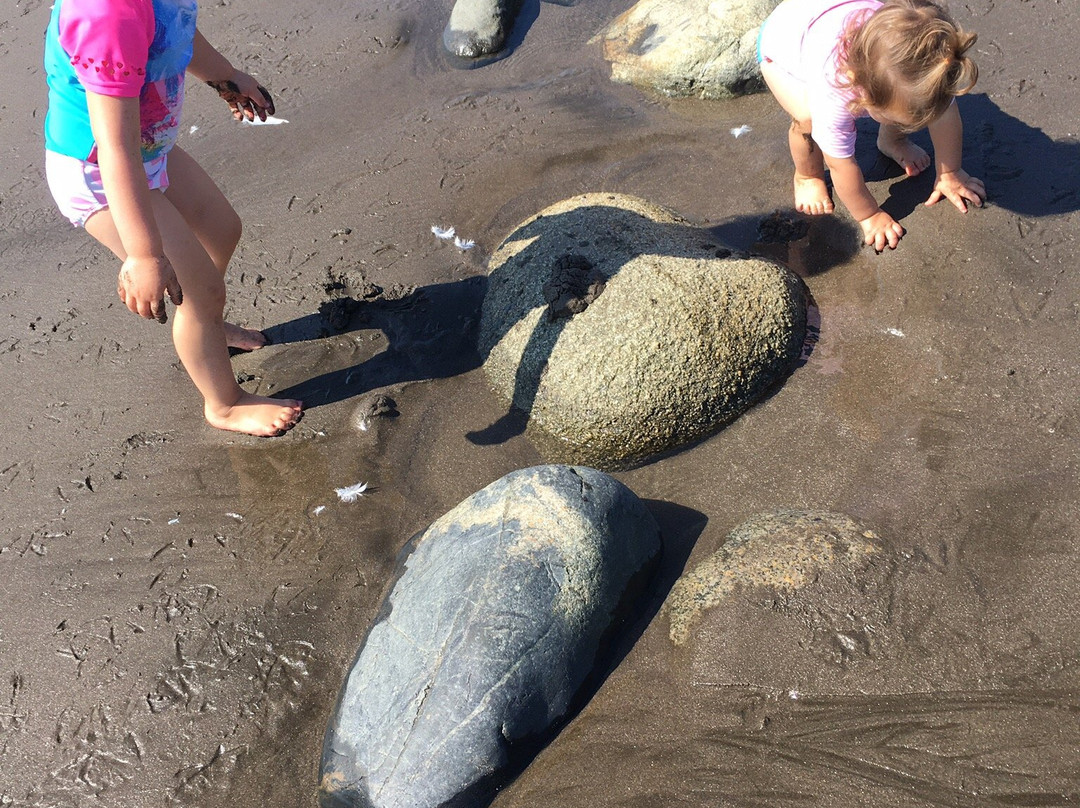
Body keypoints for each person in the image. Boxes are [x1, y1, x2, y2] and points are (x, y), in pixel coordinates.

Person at [43, 0, 303, 436]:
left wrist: (227, 77)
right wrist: (144, 255)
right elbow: (115, 149)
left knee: (222, 229)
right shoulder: (107, 16)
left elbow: (177, 32)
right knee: (200, 289)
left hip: (146, 149)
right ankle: (225, 404)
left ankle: (204, 326)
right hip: (102, 170)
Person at [757, 0, 986, 252]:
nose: (918, 126)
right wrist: (869, 215)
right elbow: (840, 164)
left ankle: (892, 140)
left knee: (907, 104)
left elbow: (944, 116)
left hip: (828, 12)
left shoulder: (929, 68)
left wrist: (950, 172)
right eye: (903, 125)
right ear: (864, 98)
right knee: (807, 118)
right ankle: (807, 176)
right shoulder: (834, 94)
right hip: (783, 42)